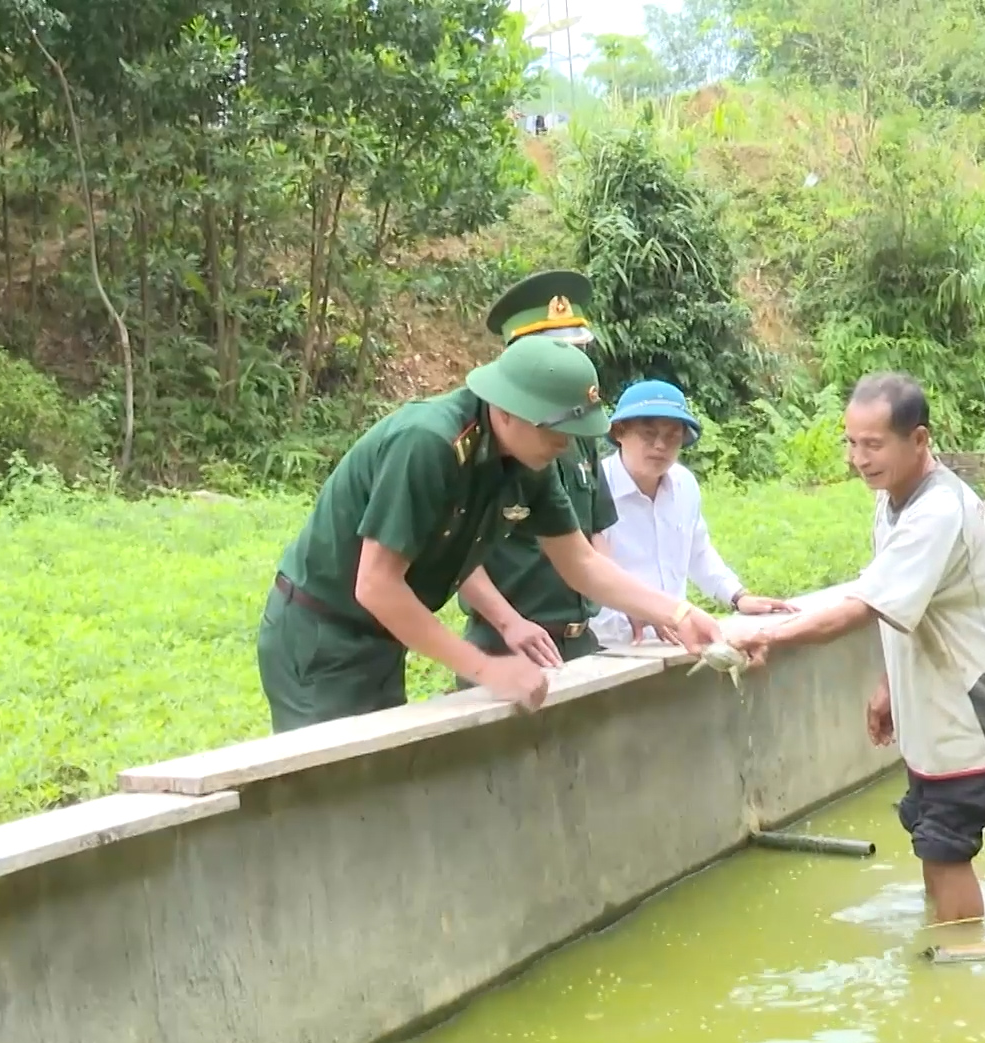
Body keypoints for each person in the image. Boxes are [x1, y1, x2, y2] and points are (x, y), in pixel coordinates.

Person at [256, 333, 726, 734]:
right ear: (506, 413)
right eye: (557, 429)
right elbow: (376, 584)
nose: (566, 444)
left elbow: (580, 563)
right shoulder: (427, 444)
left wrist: (679, 612)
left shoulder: (532, 459)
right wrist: (486, 669)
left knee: (370, 785)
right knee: (330, 787)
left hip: (384, 637)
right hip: (321, 633)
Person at [724, 372, 985, 925]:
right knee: (929, 834)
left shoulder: (937, 512)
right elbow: (900, 603)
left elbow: (860, 607)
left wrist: (766, 634)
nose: (858, 458)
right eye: (851, 443)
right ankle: (942, 942)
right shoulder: (893, 499)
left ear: (918, 440)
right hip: (937, 711)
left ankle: (960, 969)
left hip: (976, 715)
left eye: (873, 445)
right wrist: (888, 684)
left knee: (946, 846)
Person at [455, 270, 619, 676]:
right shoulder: (484, 441)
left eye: (576, 352)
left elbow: (594, 534)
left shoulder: (581, 433)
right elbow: (455, 555)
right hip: (507, 642)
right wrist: (508, 622)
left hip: (579, 639)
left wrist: (626, 605)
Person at [589, 379, 797, 649]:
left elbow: (698, 552)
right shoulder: (595, 487)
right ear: (619, 432)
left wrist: (737, 596)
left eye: (672, 436)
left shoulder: (683, 484)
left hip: (676, 638)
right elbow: (585, 567)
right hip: (610, 644)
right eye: (648, 434)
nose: (660, 446)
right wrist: (640, 608)